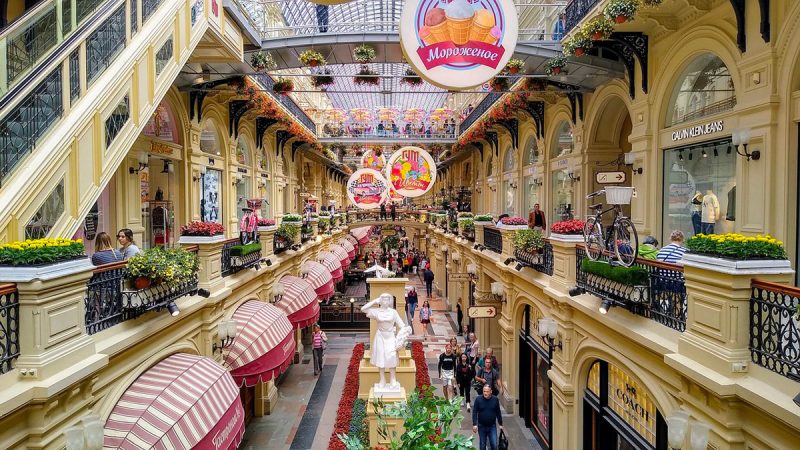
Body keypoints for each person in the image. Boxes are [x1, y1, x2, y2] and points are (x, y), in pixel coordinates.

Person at [472, 384, 503, 450]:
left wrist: (500, 424)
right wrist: (474, 424)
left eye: (487, 391)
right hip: (481, 426)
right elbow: (474, 412)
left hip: (492, 426)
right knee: (482, 445)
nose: (485, 393)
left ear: (491, 391)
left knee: (494, 445)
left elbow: (498, 412)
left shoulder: (495, 399)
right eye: (484, 391)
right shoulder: (478, 399)